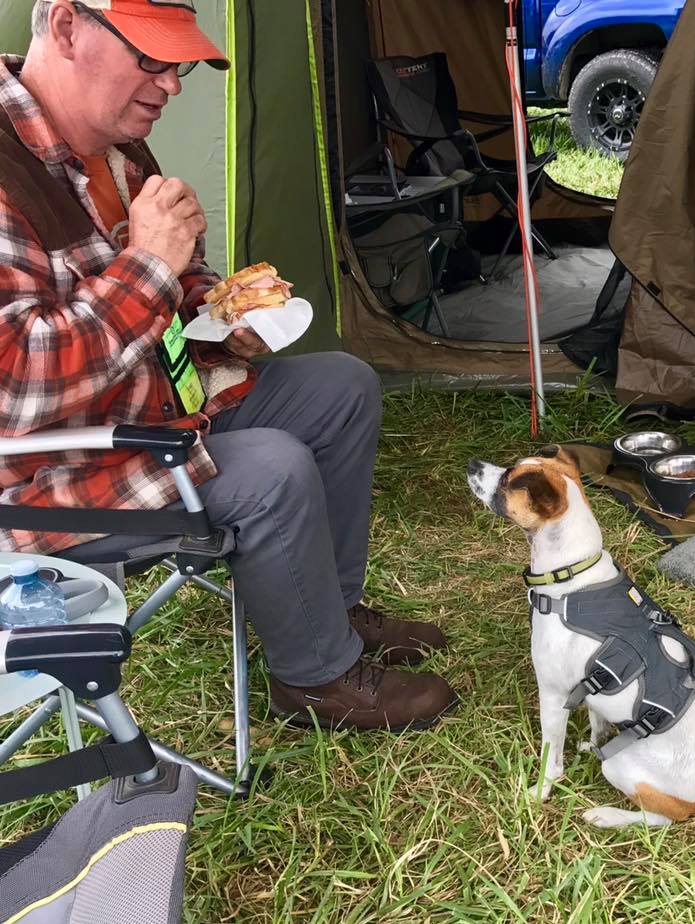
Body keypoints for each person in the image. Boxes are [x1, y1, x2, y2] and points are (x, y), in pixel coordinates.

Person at [0, 0, 458, 732]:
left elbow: (162, 298)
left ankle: (327, 617)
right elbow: (17, 388)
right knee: (270, 467)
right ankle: (314, 681)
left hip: (155, 408)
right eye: (151, 59)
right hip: (54, 472)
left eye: (178, 64)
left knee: (341, 386)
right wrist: (151, 264)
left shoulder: (120, 149)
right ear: (64, 27)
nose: (172, 85)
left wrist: (216, 320)